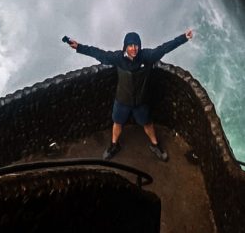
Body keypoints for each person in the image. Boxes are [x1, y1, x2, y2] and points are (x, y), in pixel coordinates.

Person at [65, 29, 194, 162]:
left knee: (148, 123)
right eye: (130, 45)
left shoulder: (146, 56)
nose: (134, 48)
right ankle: (114, 145)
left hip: (140, 102)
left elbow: (164, 48)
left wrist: (183, 37)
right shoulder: (118, 58)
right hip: (122, 100)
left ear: (139, 45)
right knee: (117, 123)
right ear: (125, 46)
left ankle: (155, 145)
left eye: (136, 45)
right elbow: (99, 54)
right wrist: (79, 47)